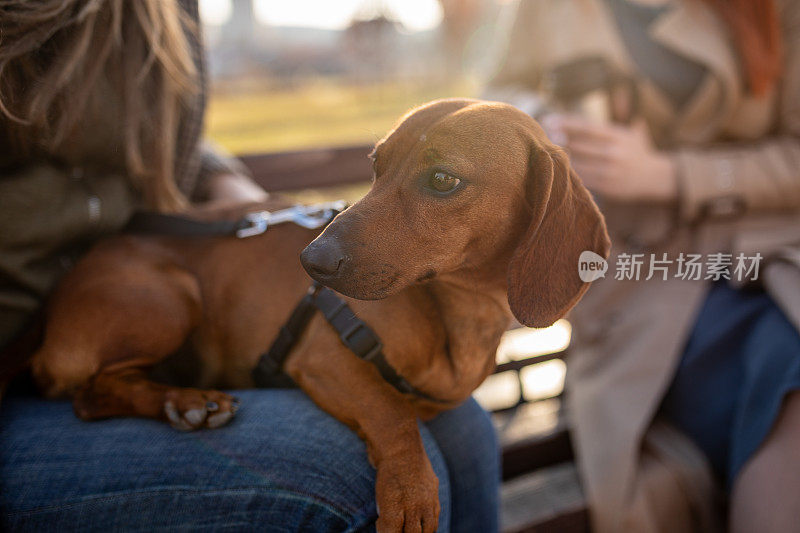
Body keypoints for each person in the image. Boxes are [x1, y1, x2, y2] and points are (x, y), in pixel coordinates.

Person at [0, 1, 499, 531]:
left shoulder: (157, 11)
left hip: (121, 280)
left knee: (464, 429)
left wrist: (233, 189)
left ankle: (135, 388)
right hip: (37, 340)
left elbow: (169, 133)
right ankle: (118, 388)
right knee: (349, 475)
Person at [485, 0, 800, 531]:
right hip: (636, 274)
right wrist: (544, 123)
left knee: (785, 354)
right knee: (783, 369)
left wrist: (668, 175)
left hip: (768, 256)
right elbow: (496, 96)